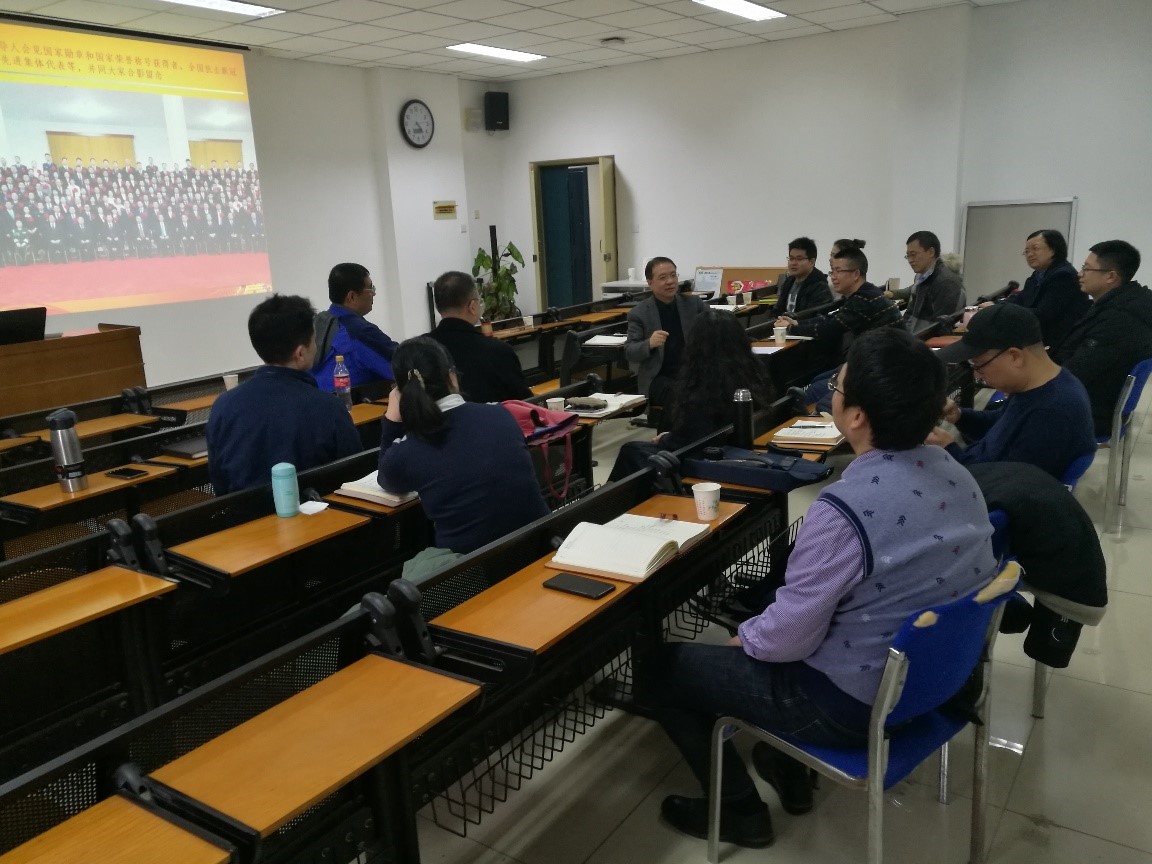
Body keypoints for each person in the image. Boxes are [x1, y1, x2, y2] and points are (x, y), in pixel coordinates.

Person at [646, 327, 997, 848]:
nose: (833, 392)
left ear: (856, 417)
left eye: (838, 385)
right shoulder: (958, 473)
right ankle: (785, 763)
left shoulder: (843, 512)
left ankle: (740, 812)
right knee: (784, 611)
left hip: (850, 706)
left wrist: (748, 638)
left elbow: (789, 639)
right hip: (938, 682)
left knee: (660, 668)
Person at [377, 337, 549, 582]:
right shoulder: (500, 414)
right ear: (452, 377)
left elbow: (386, 477)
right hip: (538, 549)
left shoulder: (410, 449)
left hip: (473, 577)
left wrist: (392, 420)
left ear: (401, 393)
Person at [207, 295, 362, 495]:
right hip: (319, 512)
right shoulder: (329, 407)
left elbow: (219, 484)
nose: (316, 347)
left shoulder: (223, 406)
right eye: (313, 341)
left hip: (244, 515)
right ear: (300, 353)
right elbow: (356, 477)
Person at [932, 303, 1095, 480]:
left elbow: (1003, 481)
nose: (977, 374)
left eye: (978, 364)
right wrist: (961, 416)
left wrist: (950, 451)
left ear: (1015, 356)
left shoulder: (1050, 413)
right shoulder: (1038, 387)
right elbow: (1001, 425)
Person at [608, 310, 773, 480]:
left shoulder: (703, 385)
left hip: (710, 461)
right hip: (736, 448)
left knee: (631, 451)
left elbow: (691, 441)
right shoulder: (754, 371)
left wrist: (666, 438)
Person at [780, 246, 901, 412]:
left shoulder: (864, 299)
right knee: (817, 379)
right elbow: (833, 318)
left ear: (856, 274)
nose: (833, 277)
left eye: (838, 271)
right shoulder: (865, 292)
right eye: (832, 271)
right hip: (874, 360)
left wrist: (791, 329)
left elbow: (831, 327)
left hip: (883, 367)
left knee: (813, 390)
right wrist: (796, 324)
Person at [1054, 240, 1152, 436]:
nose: (1080, 274)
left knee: (1005, 412)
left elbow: (1076, 373)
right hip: (1090, 399)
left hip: (1088, 410)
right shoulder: (1123, 303)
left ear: (1110, 277)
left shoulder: (1119, 319)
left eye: (1087, 268)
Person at [428, 270, 532, 403]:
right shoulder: (498, 351)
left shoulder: (421, 350)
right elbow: (525, 404)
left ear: (438, 307)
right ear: (472, 306)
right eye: (479, 300)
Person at [624, 256, 706, 424]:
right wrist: (649, 344)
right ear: (650, 282)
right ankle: (674, 435)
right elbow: (630, 351)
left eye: (673, 275)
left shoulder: (693, 304)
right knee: (681, 395)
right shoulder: (639, 313)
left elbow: (715, 324)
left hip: (692, 372)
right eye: (663, 277)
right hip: (659, 377)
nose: (670, 281)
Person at [983, 229, 1088, 355]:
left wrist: (1001, 311)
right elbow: (1020, 299)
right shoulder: (1038, 275)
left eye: (1035, 248)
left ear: (1053, 250)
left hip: (1059, 347)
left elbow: (1043, 314)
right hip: (1040, 341)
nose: (1030, 254)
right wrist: (995, 306)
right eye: (1027, 251)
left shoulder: (1063, 276)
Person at [311, 263, 399, 398]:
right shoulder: (358, 332)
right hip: (352, 406)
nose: (374, 293)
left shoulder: (316, 324)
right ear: (351, 296)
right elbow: (401, 364)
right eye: (370, 288)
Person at [887, 230, 966, 333]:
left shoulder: (947, 283)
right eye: (908, 256)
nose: (910, 260)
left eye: (913, 254)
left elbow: (941, 329)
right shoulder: (921, 278)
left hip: (928, 340)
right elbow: (910, 316)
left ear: (931, 252)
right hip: (914, 337)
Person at [775, 237, 832, 317]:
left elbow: (816, 318)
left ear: (812, 262)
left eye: (799, 259)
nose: (793, 263)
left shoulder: (820, 287)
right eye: (791, 258)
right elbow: (777, 311)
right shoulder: (788, 282)